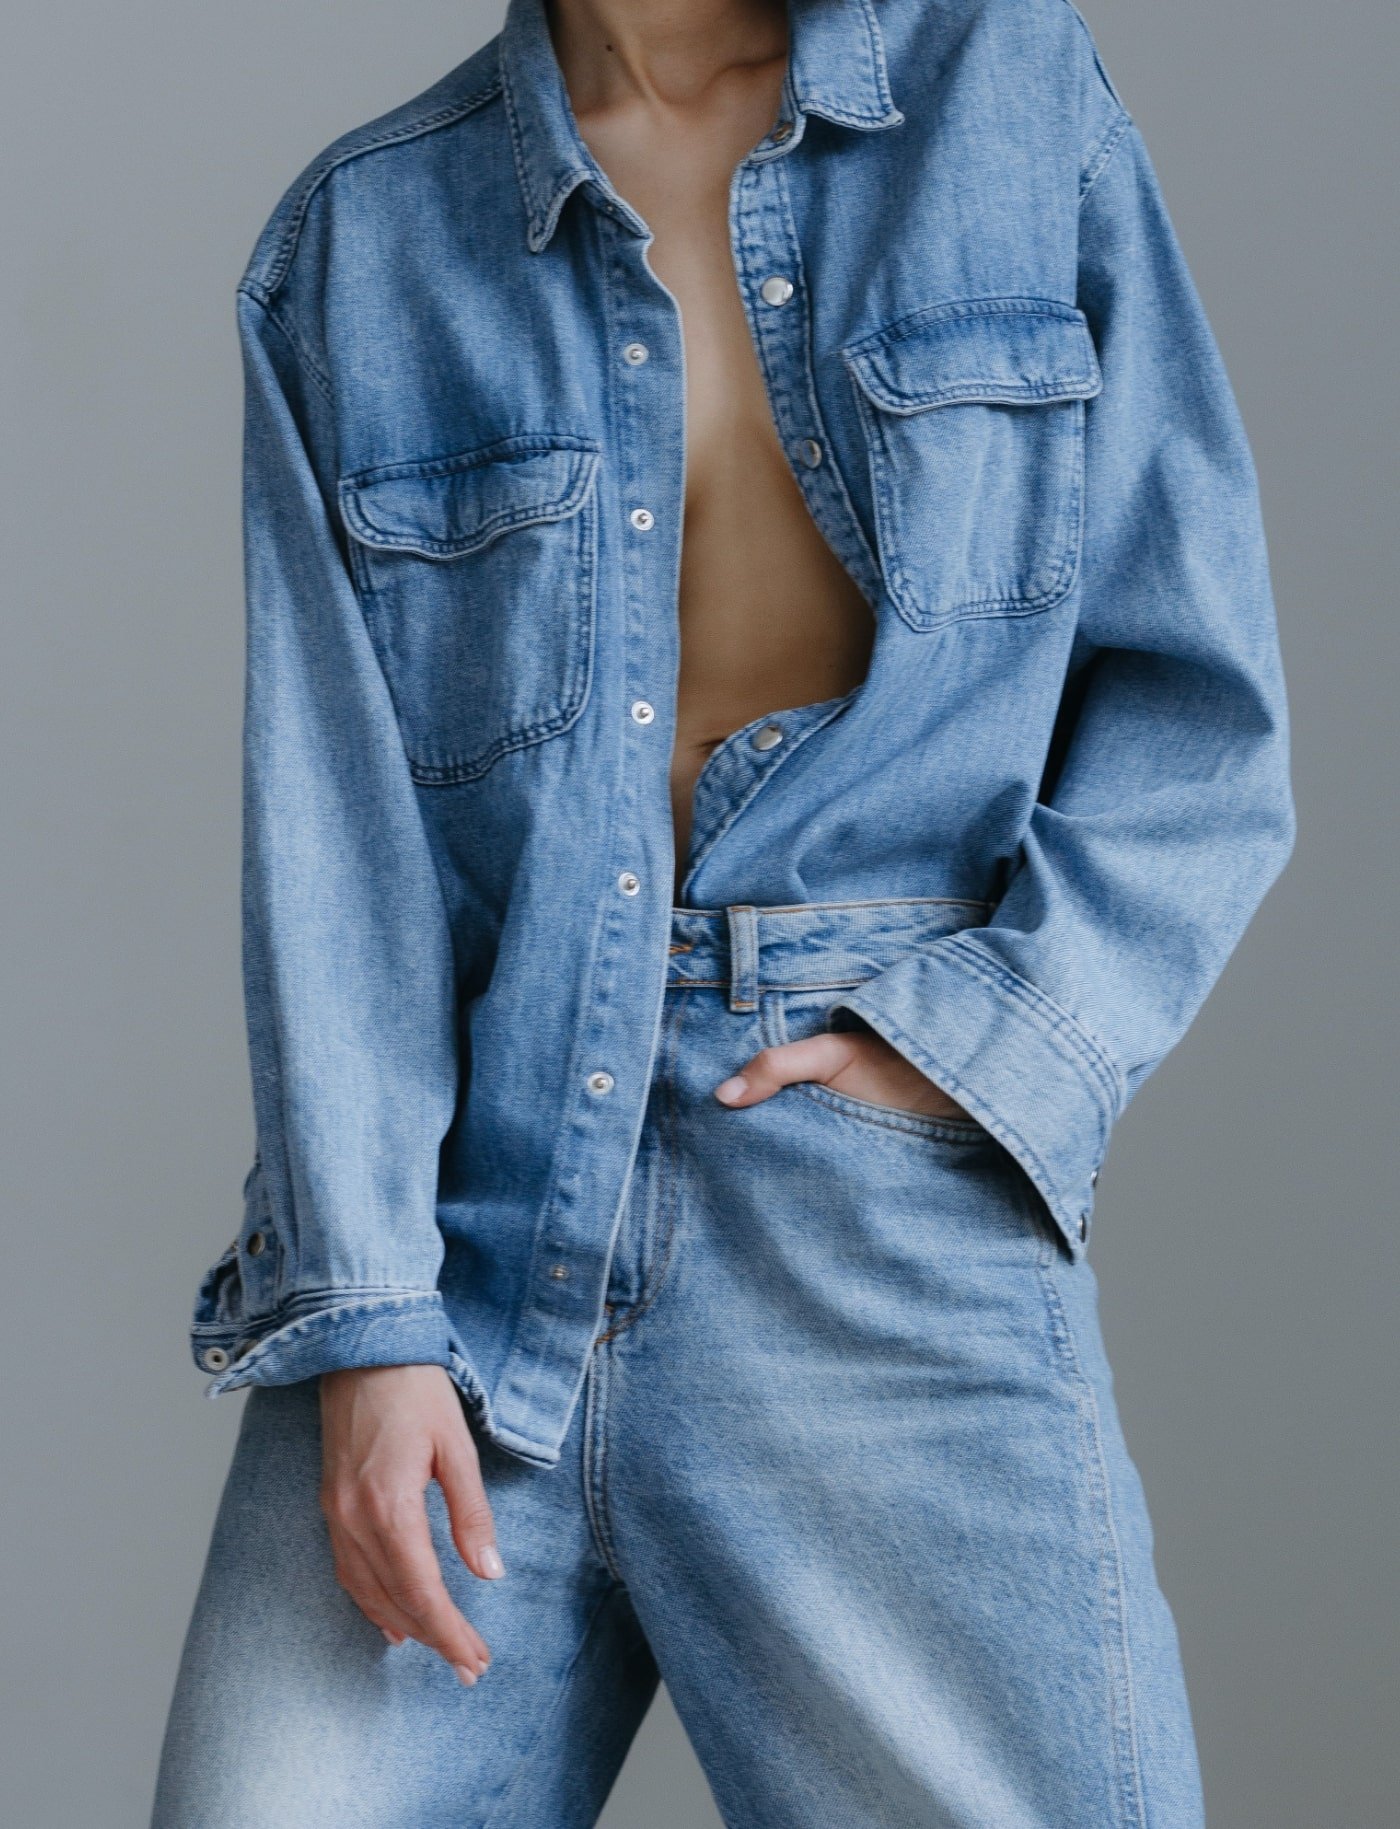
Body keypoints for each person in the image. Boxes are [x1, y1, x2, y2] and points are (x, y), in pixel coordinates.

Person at [151, 0, 1294, 1822]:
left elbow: (1197, 700)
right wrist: (366, 1316)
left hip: (863, 1221)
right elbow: (334, 845)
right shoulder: (361, 243)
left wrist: (976, 1051)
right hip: (465, 1245)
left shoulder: (1005, 98)